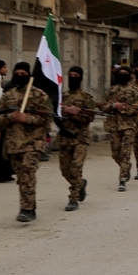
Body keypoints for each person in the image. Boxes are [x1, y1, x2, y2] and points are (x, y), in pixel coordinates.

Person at [0, 62, 52, 222]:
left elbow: (47, 119)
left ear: (28, 75)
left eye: (23, 73)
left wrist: (28, 118)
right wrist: (10, 117)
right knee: (22, 177)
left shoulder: (40, 95)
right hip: (14, 143)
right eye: (17, 72)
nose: (20, 75)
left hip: (33, 143)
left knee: (27, 172)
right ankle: (30, 206)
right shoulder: (8, 96)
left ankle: (26, 209)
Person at [57, 66, 95, 211]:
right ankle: (80, 184)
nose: (73, 77)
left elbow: (90, 116)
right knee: (65, 170)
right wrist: (65, 110)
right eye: (71, 74)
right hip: (65, 138)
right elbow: (54, 113)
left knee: (75, 169)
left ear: (80, 77)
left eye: (76, 74)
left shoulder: (87, 97)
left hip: (80, 138)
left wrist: (74, 114)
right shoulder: (62, 97)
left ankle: (73, 199)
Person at [99, 64, 138, 191]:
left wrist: (124, 108)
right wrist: (113, 107)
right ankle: (126, 167)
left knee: (125, 153)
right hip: (113, 125)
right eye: (120, 73)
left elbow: (137, 107)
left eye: (125, 73)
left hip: (128, 125)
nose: (122, 75)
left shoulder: (134, 90)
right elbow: (103, 107)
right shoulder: (111, 90)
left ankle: (122, 180)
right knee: (115, 153)